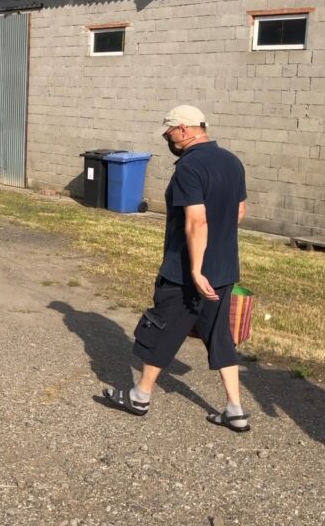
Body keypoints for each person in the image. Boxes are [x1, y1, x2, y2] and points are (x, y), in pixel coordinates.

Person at [103, 105, 250, 432]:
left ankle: (139, 396)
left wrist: (196, 270)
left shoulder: (190, 167)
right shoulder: (232, 162)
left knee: (162, 330)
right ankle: (235, 409)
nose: (166, 137)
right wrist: (217, 250)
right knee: (219, 335)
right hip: (224, 269)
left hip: (186, 272)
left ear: (184, 129)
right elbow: (239, 211)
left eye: (169, 131)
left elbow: (196, 221)